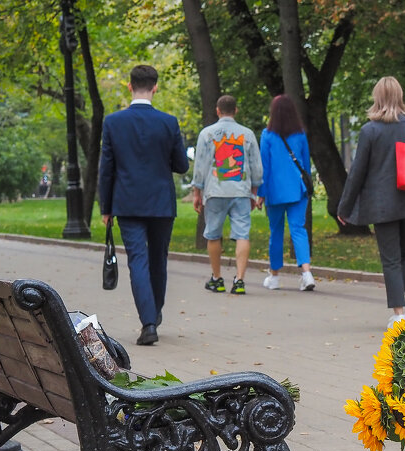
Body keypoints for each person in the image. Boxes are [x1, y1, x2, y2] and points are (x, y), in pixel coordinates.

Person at [99, 64, 189, 346]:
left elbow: (107, 168)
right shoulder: (169, 122)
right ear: (155, 87)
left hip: (126, 203)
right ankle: (155, 311)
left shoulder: (113, 122)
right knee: (158, 259)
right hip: (161, 202)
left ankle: (148, 322)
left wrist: (105, 207)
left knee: (137, 259)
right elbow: (181, 165)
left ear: (129, 86)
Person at [337, 76, 405, 326]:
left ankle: (398, 313)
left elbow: (357, 172)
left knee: (391, 258)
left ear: (377, 98)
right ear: (399, 96)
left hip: (382, 205)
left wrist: (344, 207)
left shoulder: (370, 130)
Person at [190, 94, 263, 295]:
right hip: (241, 191)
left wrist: (197, 192)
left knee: (213, 234)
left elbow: (201, 166)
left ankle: (217, 278)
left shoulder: (207, 134)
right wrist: (254, 191)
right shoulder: (247, 134)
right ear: (236, 110)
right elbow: (256, 166)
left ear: (217, 110)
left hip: (215, 191)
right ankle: (239, 280)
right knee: (242, 234)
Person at [259, 94, 315, 292]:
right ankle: (306, 273)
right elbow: (306, 164)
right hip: (298, 190)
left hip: (274, 192)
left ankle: (274, 277)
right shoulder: (300, 134)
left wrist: (260, 194)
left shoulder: (267, 135)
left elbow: (264, 168)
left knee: (276, 232)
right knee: (298, 229)